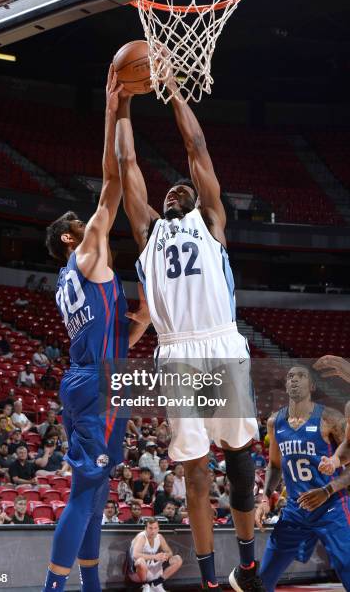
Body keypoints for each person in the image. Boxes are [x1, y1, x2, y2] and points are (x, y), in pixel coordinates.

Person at [116, 84, 261, 591]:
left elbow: (197, 148)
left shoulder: (211, 220)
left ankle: (247, 567)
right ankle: (207, 581)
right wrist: (122, 103)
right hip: (176, 352)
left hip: (221, 342)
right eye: (169, 191)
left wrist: (176, 91)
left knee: (241, 464)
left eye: (183, 189)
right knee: (195, 473)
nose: (174, 191)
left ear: (199, 200)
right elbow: (127, 164)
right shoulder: (147, 232)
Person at [40, 67, 150, 592]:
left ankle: (89, 586)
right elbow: (110, 182)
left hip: (97, 377)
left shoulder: (71, 280)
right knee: (85, 493)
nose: (87, 220)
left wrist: (142, 324)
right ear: (67, 237)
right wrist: (113, 109)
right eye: (75, 221)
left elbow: (113, 342)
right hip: (99, 386)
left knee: (98, 489)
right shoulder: (85, 252)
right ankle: (53, 588)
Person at [255, 366, 350, 591]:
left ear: (312, 386)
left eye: (301, 376)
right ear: (286, 385)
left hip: (332, 507)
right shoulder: (274, 422)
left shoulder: (330, 418)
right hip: (295, 512)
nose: (294, 380)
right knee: (263, 579)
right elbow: (275, 466)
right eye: (290, 377)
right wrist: (265, 498)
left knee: (347, 566)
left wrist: (328, 489)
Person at [128, 518, 183, 592]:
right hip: (135, 571)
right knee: (141, 561)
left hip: (151, 567)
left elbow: (170, 552)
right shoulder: (141, 537)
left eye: (155, 528)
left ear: (158, 529)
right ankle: (145, 585)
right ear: (146, 528)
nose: (153, 531)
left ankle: (157, 583)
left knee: (177, 559)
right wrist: (155, 557)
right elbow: (135, 555)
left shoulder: (159, 537)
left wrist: (164, 556)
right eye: (150, 528)